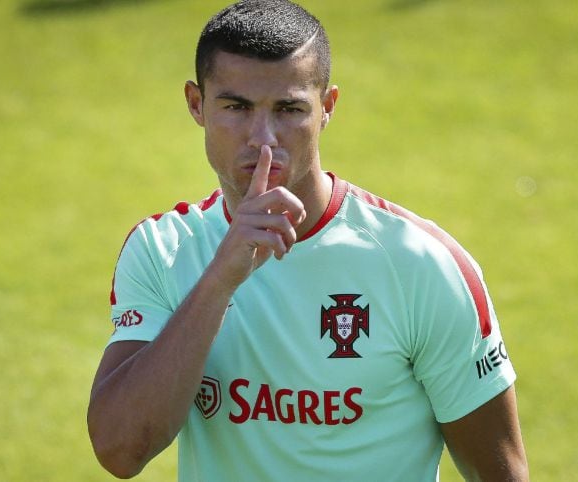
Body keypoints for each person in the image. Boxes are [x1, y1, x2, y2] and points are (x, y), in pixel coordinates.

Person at [87, 1, 529, 480]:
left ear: (328, 108)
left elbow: (500, 473)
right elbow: (120, 450)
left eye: (289, 109)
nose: (263, 138)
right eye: (236, 107)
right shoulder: (163, 250)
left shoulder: (420, 264)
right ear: (196, 103)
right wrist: (219, 280)